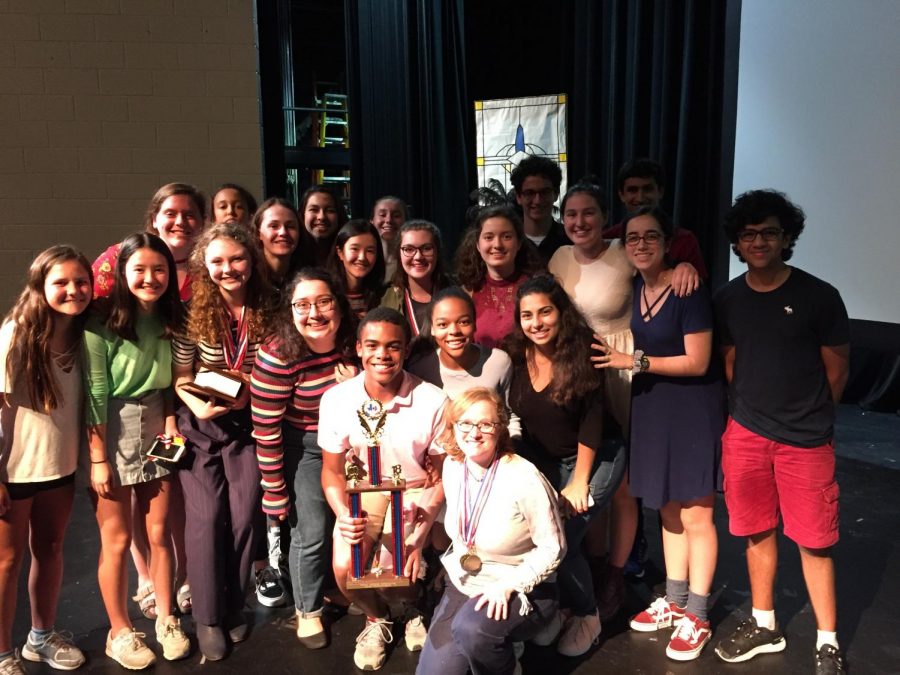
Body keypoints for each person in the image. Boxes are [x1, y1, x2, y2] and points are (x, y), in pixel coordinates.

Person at [712, 190, 849, 674]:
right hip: (746, 434)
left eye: (769, 232)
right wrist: (752, 413)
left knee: (814, 541)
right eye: (748, 235)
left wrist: (807, 418)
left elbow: (836, 371)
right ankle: (765, 622)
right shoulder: (728, 298)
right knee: (756, 532)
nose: (758, 241)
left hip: (805, 441)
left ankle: (827, 642)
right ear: (737, 241)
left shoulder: (819, 296)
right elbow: (731, 362)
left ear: (787, 237)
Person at [550, 182, 700, 619]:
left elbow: (661, 272)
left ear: (604, 216)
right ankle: (597, 568)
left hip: (622, 370)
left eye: (589, 213)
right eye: (572, 214)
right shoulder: (559, 257)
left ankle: (618, 571)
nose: (580, 222)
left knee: (627, 482)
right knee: (594, 472)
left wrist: (684, 266)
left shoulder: (623, 251)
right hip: (578, 372)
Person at [593, 206, 724, 661]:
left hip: (691, 409)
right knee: (667, 511)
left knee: (696, 515)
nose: (642, 244)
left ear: (668, 243)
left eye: (651, 236)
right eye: (633, 238)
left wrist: (634, 362)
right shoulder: (635, 287)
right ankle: (675, 598)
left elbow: (699, 361)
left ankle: (699, 614)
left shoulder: (689, 289)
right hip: (651, 406)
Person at [504, 275, 627, 657]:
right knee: (540, 535)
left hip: (597, 453)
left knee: (564, 536)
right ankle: (560, 607)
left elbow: (592, 421)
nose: (536, 322)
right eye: (527, 315)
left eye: (545, 311)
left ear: (561, 313)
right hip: (546, 460)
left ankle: (589, 616)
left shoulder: (584, 349)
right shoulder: (514, 353)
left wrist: (579, 482)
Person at [318, 307, 447, 671]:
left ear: (406, 351)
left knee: (398, 569)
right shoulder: (337, 399)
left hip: (415, 487)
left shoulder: (433, 400)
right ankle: (377, 618)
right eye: (372, 345)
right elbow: (332, 472)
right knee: (345, 566)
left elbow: (440, 476)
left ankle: (411, 606)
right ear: (358, 348)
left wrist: (421, 530)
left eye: (393, 346)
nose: (382, 355)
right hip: (364, 489)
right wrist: (343, 513)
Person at [83, 233, 190, 669]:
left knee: (159, 533)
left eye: (159, 269)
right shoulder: (101, 322)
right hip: (111, 426)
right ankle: (120, 630)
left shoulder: (171, 318)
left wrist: (169, 426)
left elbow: (168, 384)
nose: (150, 278)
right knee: (118, 539)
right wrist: (97, 458)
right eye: (139, 270)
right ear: (122, 273)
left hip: (159, 423)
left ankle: (166, 618)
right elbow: (94, 392)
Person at [172, 223, 273, 661]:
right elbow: (180, 376)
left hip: (250, 423)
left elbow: (276, 365)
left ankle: (234, 604)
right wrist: (195, 405)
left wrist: (251, 386)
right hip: (202, 422)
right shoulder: (192, 311)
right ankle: (208, 616)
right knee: (207, 516)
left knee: (246, 515)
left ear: (251, 259)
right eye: (217, 261)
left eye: (236, 259)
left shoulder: (271, 308)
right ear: (204, 266)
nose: (228, 268)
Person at [416, 388, 565, 675]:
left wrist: (510, 584)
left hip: (524, 588)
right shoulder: (453, 466)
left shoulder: (524, 477)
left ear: (500, 429)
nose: (475, 433)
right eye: (466, 423)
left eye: (486, 424)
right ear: (454, 427)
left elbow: (554, 547)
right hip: (466, 582)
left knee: (472, 630)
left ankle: (506, 663)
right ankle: (492, 644)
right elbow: (465, 518)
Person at [251, 268, 358, 649]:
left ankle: (343, 586)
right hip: (304, 445)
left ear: (339, 305)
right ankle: (307, 609)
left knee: (351, 521)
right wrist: (274, 490)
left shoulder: (354, 339)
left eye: (324, 301)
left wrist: (356, 384)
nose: (314, 313)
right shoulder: (278, 353)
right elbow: (265, 430)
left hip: (353, 442)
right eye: (302, 304)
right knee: (310, 531)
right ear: (290, 310)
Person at [0, 247, 93, 675]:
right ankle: (3, 652)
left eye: (80, 281)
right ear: (40, 285)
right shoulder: (16, 334)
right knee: (7, 561)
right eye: (61, 282)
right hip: (13, 472)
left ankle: (41, 636)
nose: (73, 290)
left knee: (51, 550)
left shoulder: (84, 335)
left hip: (59, 469)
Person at [92, 182, 206, 302]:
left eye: (189, 215)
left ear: (202, 221)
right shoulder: (118, 257)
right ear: (154, 220)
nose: (180, 222)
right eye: (170, 214)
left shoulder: (212, 264)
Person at [456, 205, 544, 350]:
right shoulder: (467, 292)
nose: (497, 244)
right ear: (478, 244)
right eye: (489, 237)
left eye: (506, 237)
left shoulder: (537, 287)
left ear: (519, 243)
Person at [602, 158, 707, 278]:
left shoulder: (684, 240)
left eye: (647, 189)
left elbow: (699, 288)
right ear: (621, 195)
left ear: (660, 191)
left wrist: (686, 268)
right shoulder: (607, 239)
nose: (640, 198)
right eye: (633, 190)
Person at [379, 220, 453, 336]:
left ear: (437, 252)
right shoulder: (384, 298)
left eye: (427, 248)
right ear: (399, 253)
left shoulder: (458, 291)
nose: (418, 256)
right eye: (409, 249)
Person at [510, 155, 572, 261]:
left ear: (556, 194)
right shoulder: (509, 240)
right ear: (518, 197)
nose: (537, 201)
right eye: (529, 193)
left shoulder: (570, 239)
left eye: (545, 192)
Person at [326, 220, 386, 320]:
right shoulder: (327, 292)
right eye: (354, 249)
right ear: (340, 252)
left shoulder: (383, 296)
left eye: (370, 251)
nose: (362, 257)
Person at [251, 197, 315, 290]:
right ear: (258, 233)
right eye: (274, 226)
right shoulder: (248, 277)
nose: (283, 232)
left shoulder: (310, 278)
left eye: (290, 226)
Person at [301, 185, 346, 266]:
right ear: (303, 214)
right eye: (314, 209)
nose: (321, 217)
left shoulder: (349, 254)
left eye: (330, 210)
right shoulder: (290, 254)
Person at [370, 196, 408, 282]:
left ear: (405, 222)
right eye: (382, 215)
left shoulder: (412, 262)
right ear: (372, 221)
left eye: (396, 216)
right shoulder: (364, 260)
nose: (389, 220)